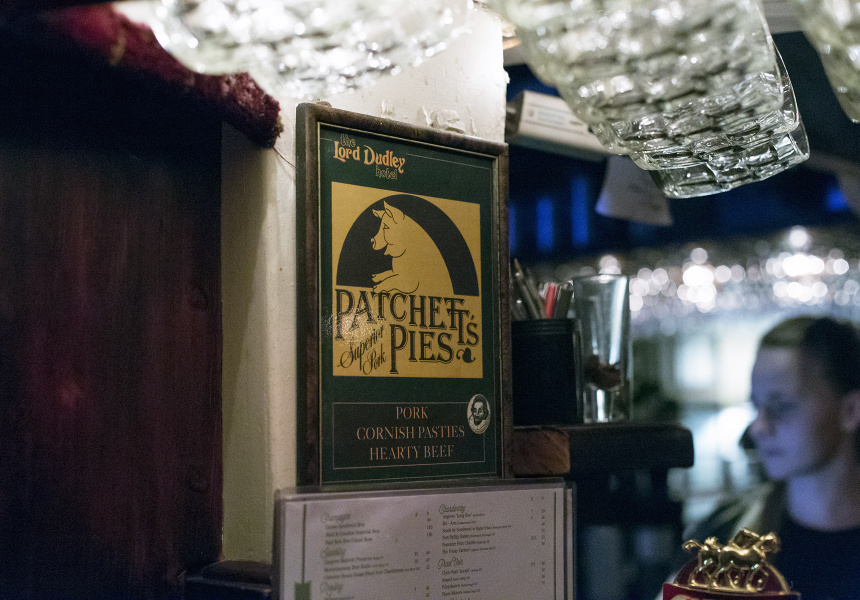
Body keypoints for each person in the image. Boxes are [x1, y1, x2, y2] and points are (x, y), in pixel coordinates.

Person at [676, 315, 860, 600]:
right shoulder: (721, 540)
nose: (758, 427)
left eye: (781, 406)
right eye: (756, 406)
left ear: (850, 411)